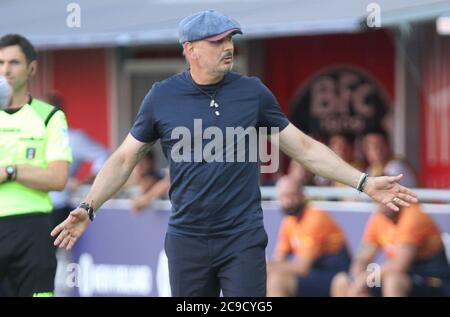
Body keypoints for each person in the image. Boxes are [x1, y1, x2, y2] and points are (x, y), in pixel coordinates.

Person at [51, 10, 417, 297]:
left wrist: (364, 182)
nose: (228, 47)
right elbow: (122, 159)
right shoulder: (161, 97)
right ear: (190, 49)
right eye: (216, 42)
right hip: (187, 239)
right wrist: (88, 208)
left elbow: (303, 147)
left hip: (241, 237)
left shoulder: (253, 93)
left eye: (230, 39)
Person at [0, 34, 72, 297]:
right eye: (0, 62)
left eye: (14, 62)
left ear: (32, 67)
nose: (5, 70)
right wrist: (28, 171)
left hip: (34, 230)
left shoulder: (49, 116)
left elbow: (57, 177)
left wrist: (11, 171)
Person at [331, 203, 450, 297]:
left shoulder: (413, 216)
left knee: (393, 281)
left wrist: (366, 278)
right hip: (405, 277)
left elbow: (399, 265)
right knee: (342, 281)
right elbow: (362, 258)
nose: (384, 203)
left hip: (433, 280)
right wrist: (355, 280)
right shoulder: (379, 218)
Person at [267, 176, 351, 297]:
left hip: (333, 275)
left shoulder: (315, 218)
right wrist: (267, 268)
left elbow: (302, 267)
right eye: (284, 196)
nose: (288, 201)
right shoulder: (289, 221)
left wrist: (268, 267)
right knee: (269, 277)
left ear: (302, 195)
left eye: (292, 195)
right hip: (314, 274)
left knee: (278, 281)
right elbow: (279, 258)